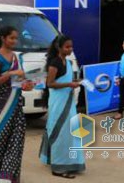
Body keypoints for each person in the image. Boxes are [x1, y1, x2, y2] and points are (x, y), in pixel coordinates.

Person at [0, 26, 35, 183]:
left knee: (16, 141)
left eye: (16, 38)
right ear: (3, 38)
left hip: (15, 104)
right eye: (12, 38)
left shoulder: (16, 57)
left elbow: (19, 81)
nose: (14, 41)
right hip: (0, 105)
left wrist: (27, 84)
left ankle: (6, 178)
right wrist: (10, 74)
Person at [39, 35, 85, 179]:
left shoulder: (69, 63)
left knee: (70, 133)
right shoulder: (54, 63)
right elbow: (50, 83)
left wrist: (76, 82)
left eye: (71, 46)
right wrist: (69, 84)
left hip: (68, 102)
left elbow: (66, 80)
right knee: (59, 132)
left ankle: (70, 162)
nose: (70, 49)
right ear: (59, 48)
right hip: (58, 103)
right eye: (67, 47)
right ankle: (58, 167)